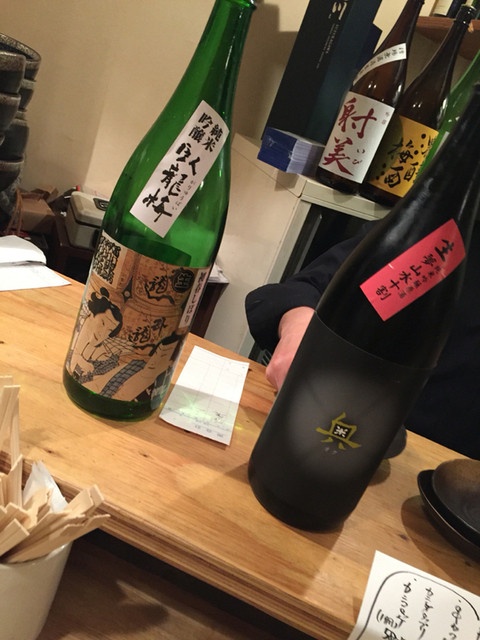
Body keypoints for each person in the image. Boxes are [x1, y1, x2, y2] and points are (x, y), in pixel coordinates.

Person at [245, 220, 480, 460]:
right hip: (330, 432)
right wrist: (299, 331)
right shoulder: (437, 239)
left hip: (453, 471)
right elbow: (305, 290)